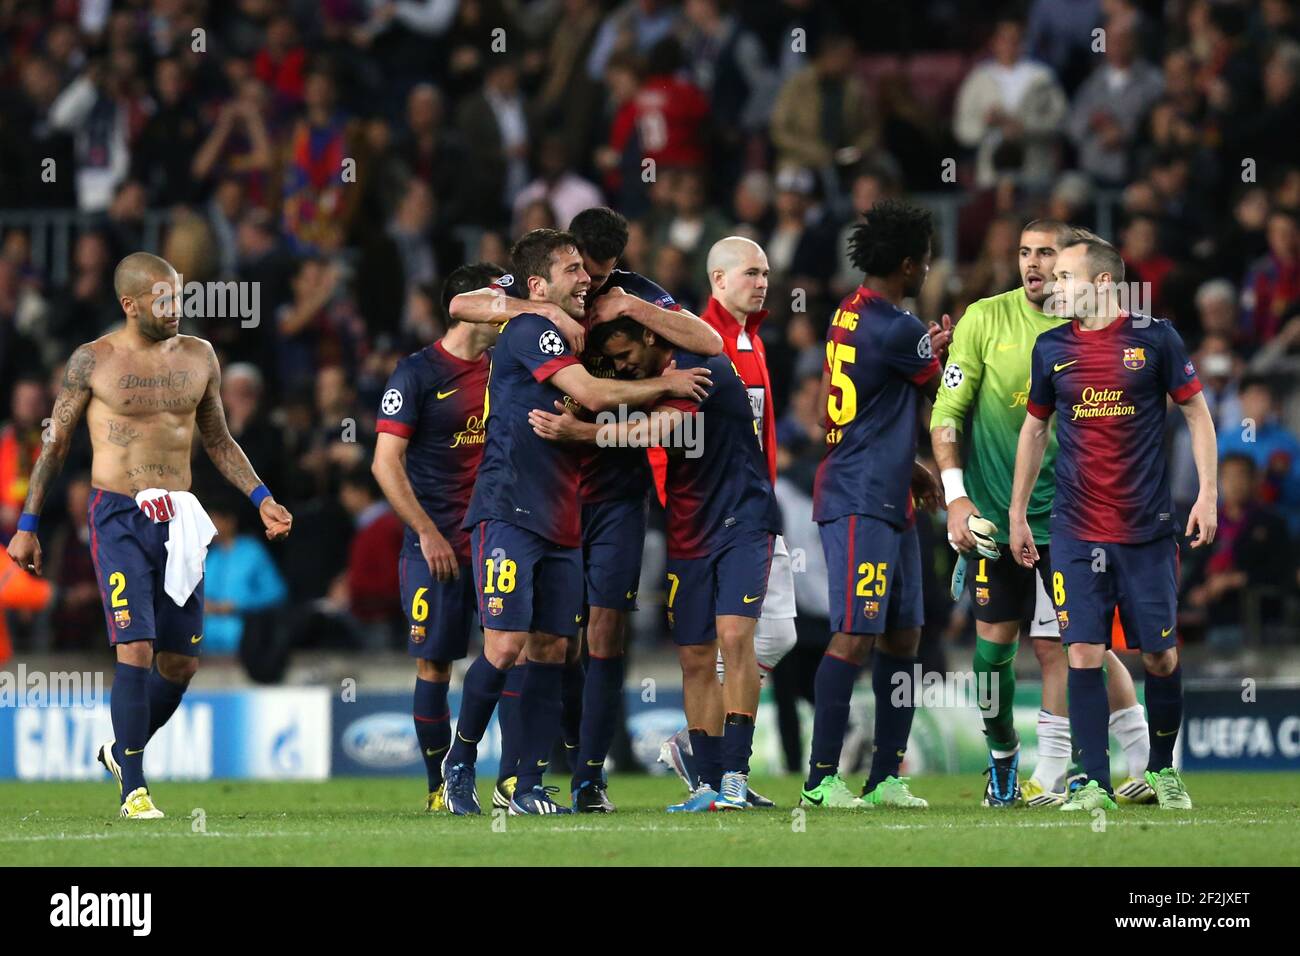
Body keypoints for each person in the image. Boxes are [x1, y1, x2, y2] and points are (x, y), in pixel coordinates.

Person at [449, 206, 722, 812]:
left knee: (589, 635)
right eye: (577, 272)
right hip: (539, 493)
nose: (588, 285)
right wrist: (535, 307)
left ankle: (579, 778)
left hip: (603, 489)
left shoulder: (631, 294)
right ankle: (482, 765)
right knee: (521, 643)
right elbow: (460, 305)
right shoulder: (537, 310)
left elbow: (710, 341)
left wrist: (631, 309)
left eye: (596, 275)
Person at [5, 252, 292, 818]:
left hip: (180, 518)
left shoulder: (200, 356)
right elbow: (56, 444)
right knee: (134, 646)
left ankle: (119, 749)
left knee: (180, 665)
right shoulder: (94, 361)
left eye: (179, 295)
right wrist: (28, 525)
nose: (176, 307)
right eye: (163, 299)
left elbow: (218, 441)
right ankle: (133, 787)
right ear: (130, 304)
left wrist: (263, 498)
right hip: (117, 515)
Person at [930, 220, 1153, 807]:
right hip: (997, 516)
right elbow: (948, 412)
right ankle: (1003, 757)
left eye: (1047, 254)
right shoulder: (984, 318)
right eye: (1025, 252)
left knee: (1072, 645)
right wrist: (955, 497)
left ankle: (1070, 772)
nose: (1033, 264)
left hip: (1075, 516)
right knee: (992, 651)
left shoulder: (1091, 325)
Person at [529, 313, 781, 811]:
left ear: (649, 336)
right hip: (686, 528)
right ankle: (708, 784)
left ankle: (735, 774)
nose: (623, 368)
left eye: (625, 356)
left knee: (734, 637)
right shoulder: (655, 378)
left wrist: (580, 431)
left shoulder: (700, 365)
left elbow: (662, 428)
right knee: (693, 657)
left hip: (742, 518)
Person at [1009, 236, 1217, 812]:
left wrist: (1208, 494)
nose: (1055, 286)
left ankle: (1162, 770)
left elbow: (1197, 413)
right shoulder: (1051, 347)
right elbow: (1035, 430)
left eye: (1067, 276)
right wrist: (1018, 511)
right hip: (1075, 529)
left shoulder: (1155, 338)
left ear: (1103, 283)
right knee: (1082, 651)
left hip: (1146, 529)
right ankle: (1094, 782)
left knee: (1160, 658)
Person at [800, 199, 948, 810]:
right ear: (910, 265)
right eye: (926, 261)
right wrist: (943, 345)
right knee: (855, 635)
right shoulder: (900, 328)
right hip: (861, 498)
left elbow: (874, 403)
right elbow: (940, 381)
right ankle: (819, 781)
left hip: (884, 492)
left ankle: (885, 776)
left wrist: (906, 464)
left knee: (903, 634)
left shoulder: (852, 313)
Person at [657, 236, 797, 810]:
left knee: (770, 635)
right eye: (749, 273)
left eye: (766, 272)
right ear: (717, 280)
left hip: (752, 511)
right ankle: (717, 772)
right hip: (701, 517)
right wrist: (675, 502)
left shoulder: (754, 341)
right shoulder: (691, 342)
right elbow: (666, 432)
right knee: (726, 644)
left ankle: (709, 759)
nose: (762, 282)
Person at [372, 261, 502, 813]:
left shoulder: (508, 369)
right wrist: (426, 532)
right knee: (435, 664)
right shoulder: (418, 373)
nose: (508, 311)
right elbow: (384, 463)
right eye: (499, 299)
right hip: (436, 545)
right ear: (468, 304)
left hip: (497, 539)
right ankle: (436, 788)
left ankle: (514, 782)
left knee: (511, 651)